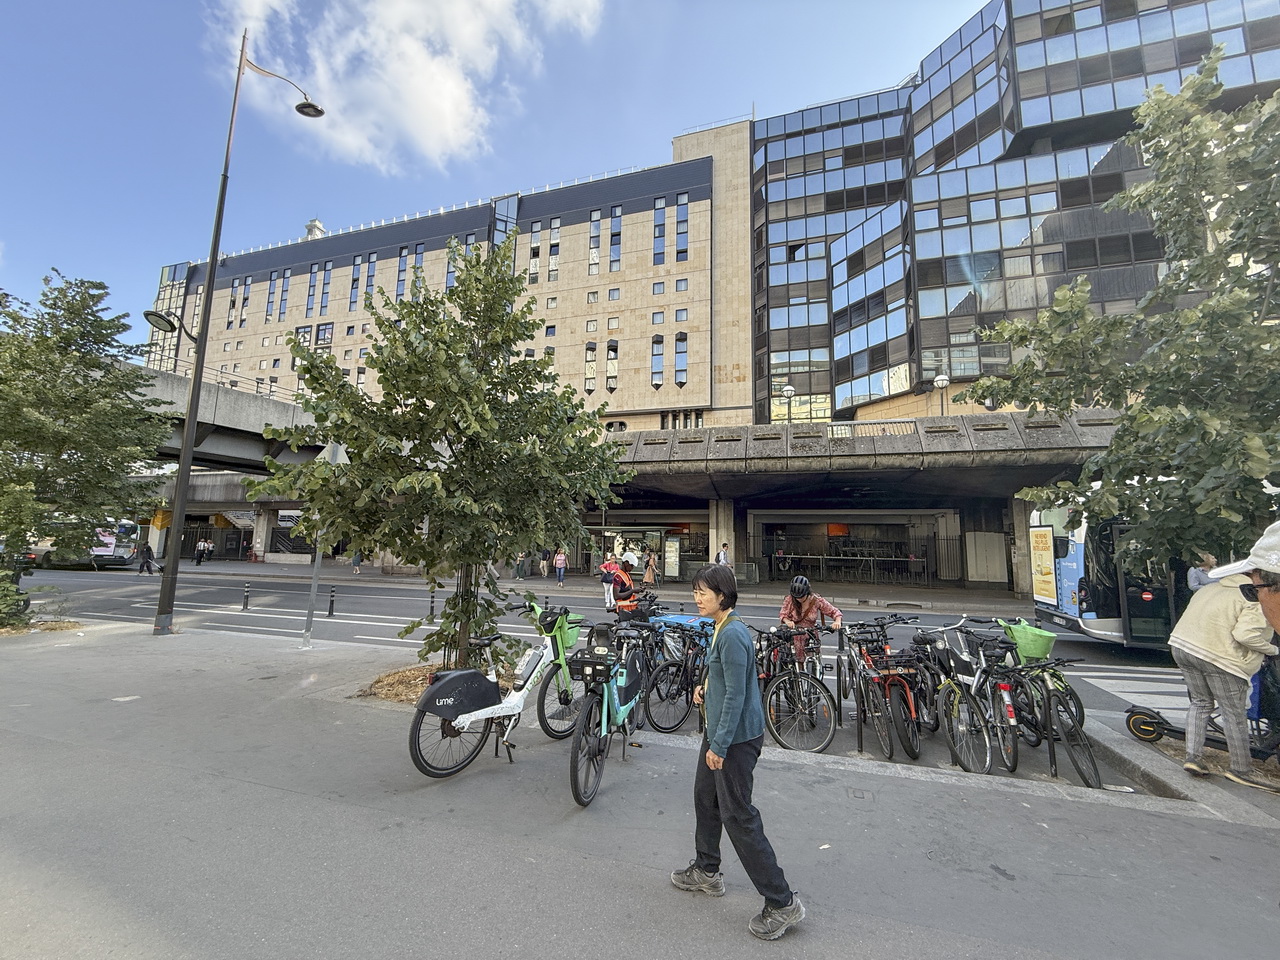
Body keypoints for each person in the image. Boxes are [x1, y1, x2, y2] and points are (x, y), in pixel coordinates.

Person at [671, 563, 804, 941]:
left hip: (734, 740)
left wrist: (719, 746)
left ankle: (782, 902)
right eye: (695, 591)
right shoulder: (721, 626)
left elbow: (737, 695)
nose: (697, 598)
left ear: (722, 595)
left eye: (703, 593)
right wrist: (705, 689)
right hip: (720, 732)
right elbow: (726, 681)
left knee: (739, 816)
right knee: (705, 798)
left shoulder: (732, 634)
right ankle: (707, 870)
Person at [1170, 521, 1280, 793]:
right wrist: (1273, 650)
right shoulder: (1253, 596)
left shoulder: (1213, 587)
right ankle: (1241, 769)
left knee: (1200, 703)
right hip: (1221, 657)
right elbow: (1245, 635)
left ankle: (1193, 757)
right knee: (1234, 714)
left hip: (1182, 646)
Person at [778, 575, 842, 666]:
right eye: (796, 597)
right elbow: (783, 614)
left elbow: (834, 611)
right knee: (795, 663)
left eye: (801, 597)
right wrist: (787, 621)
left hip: (810, 634)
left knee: (814, 662)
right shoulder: (790, 600)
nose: (799, 599)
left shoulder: (816, 600)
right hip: (794, 634)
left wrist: (837, 621)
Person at [612, 552, 641, 621]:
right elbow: (616, 596)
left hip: (630, 608)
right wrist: (633, 590)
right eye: (631, 565)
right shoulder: (618, 576)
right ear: (626, 563)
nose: (632, 568)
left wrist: (636, 590)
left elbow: (627, 589)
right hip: (623, 609)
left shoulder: (626, 574)